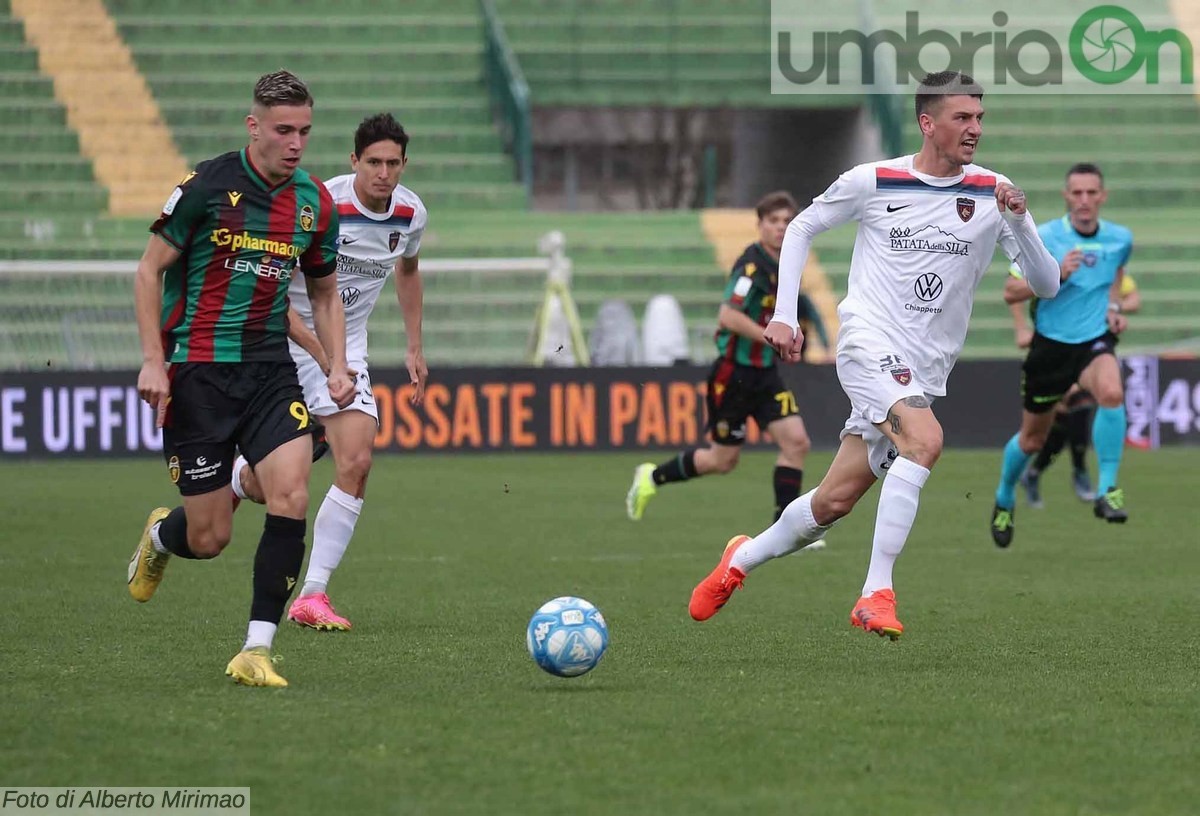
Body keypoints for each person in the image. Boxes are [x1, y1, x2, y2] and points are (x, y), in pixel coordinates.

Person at [687, 71, 1060, 639]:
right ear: (927, 123)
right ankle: (875, 593)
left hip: (924, 370)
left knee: (833, 502)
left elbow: (1047, 282)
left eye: (980, 118)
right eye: (963, 118)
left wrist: (1017, 222)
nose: (975, 129)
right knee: (926, 440)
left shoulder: (994, 192)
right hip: (866, 343)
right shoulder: (875, 180)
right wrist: (784, 312)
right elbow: (804, 225)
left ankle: (738, 561)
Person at [129, 70, 355, 688]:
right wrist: (154, 359)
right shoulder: (206, 186)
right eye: (284, 130)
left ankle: (256, 649)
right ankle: (161, 535)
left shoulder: (314, 202)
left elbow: (325, 290)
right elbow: (149, 272)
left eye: (305, 131)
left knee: (291, 494)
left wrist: (336, 363)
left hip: (268, 371)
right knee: (209, 538)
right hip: (198, 373)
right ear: (253, 126)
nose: (296, 143)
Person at [233, 113, 429, 631]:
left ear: (404, 164)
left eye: (393, 163)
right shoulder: (321, 206)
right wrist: (324, 358)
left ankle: (312, 594)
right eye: (373, 163)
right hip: (288, 340)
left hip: (349, 347)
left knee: (358, 458)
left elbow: (408, 270)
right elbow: (278, 289)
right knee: (270, 484)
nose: (383, 173)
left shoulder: (411, 213)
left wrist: (414, 346)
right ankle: (237, 479)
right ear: (354, 161)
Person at [625, 191, 821, 527]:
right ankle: (652, 476)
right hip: (733, 375)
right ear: (759, 225)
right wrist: (771, 335)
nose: (780, 228)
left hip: (765, 372)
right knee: (722, 460)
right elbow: (728, 316)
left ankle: (786, 529)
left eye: (787, 221)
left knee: (797, 442)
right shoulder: (751, 266)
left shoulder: (787, 264)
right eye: (773, 221)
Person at [990, 163, 1133, 547]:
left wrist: (1114, 310)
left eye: (1091, 193)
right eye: (1077, 193)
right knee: (1032, 439)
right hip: (1051, 346)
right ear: (1066, 196)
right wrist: (1057, 274)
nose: (1084, 200)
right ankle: (1005, 496)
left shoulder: (1120, 239)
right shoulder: (1048, 236)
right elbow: (1010, 292)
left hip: (1093, 342)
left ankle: (1107, 490)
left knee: (1112, 394)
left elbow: (1116, 274)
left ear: (1102, 196)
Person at [1010, 270, 1141, 508]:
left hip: (1088, 349)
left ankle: (1048, 473)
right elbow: (1013, 289)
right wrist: (1020, 328)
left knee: (1074, 411)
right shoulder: (1052, 257)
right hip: (1052, 349)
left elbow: (1133, 298)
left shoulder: (1102, 263)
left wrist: (1111, 306)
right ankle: (1047, 474)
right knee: (1047, 430)